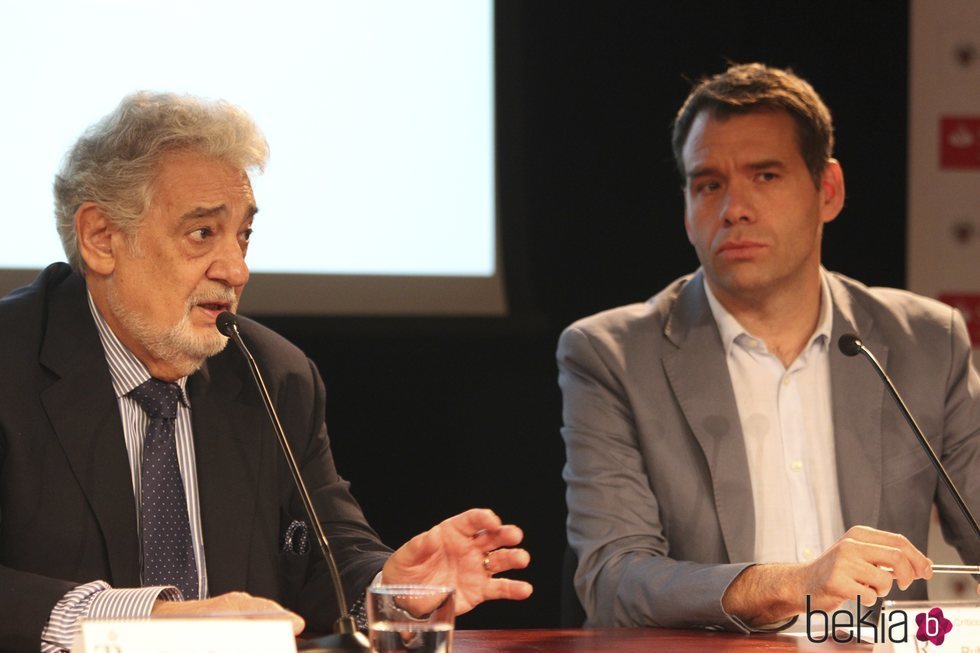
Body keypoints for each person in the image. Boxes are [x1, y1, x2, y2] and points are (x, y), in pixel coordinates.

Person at [0, 92, 532, 653]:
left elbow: (332, 554)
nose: (236, 269)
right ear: (101, 238)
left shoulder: (273, 375)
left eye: (243, 235)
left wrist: (394, 589)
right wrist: (140, 621)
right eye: (202, 233)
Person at [558, 62, 980, 631]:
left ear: (827, 190)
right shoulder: (611, 356)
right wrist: (792, 584)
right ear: (687, 208)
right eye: (709, 184)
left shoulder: (927, 342)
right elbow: (613, 580)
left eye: (766, 176)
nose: (734, 207)